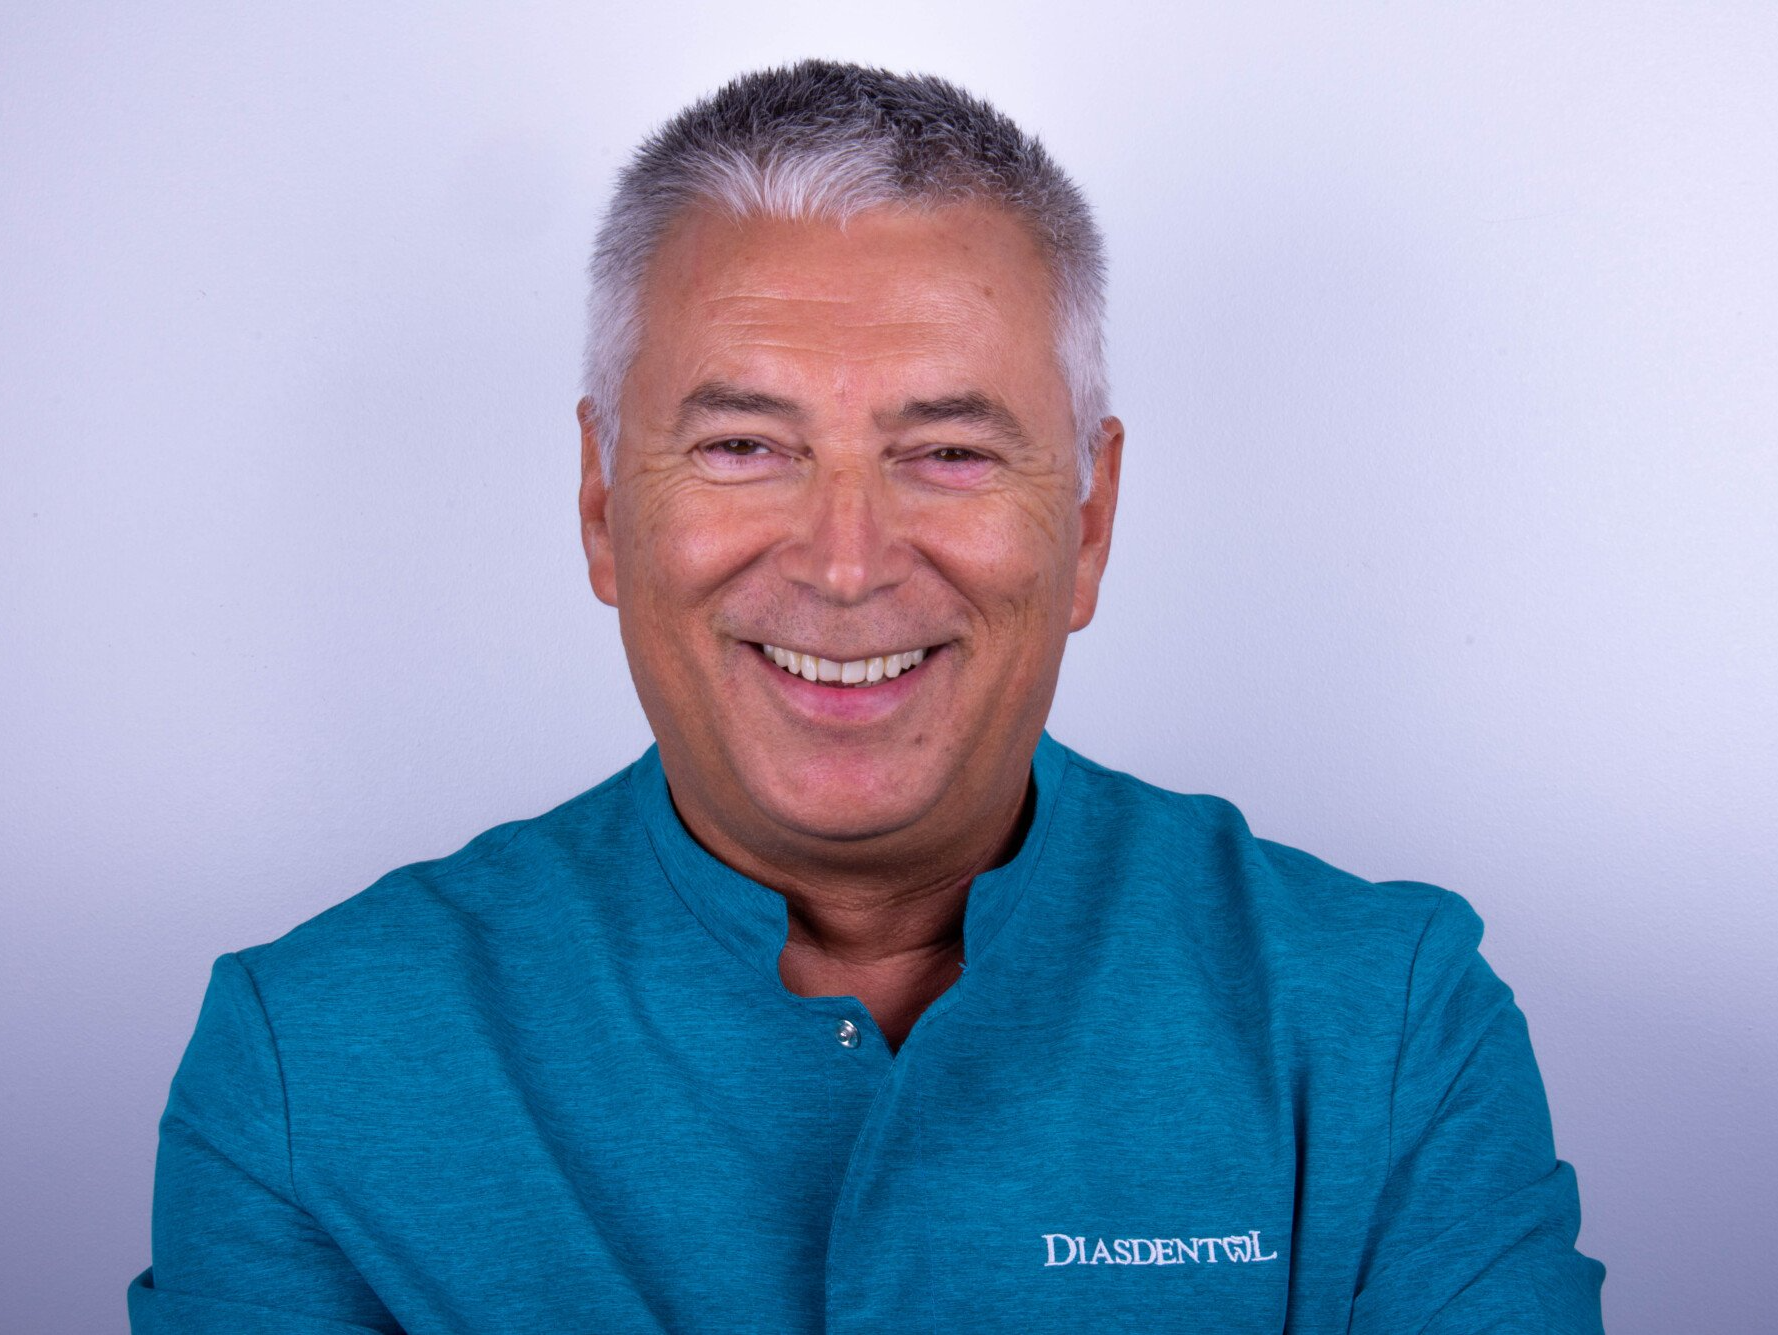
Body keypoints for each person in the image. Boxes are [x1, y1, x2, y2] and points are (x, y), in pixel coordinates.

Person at [128, 60, 1606, 1333]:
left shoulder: (1382, 1023)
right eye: (743, 448)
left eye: (949, 452)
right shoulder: (311, 1065)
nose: (845, 565)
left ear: (1087, 522)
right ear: (601, 504)